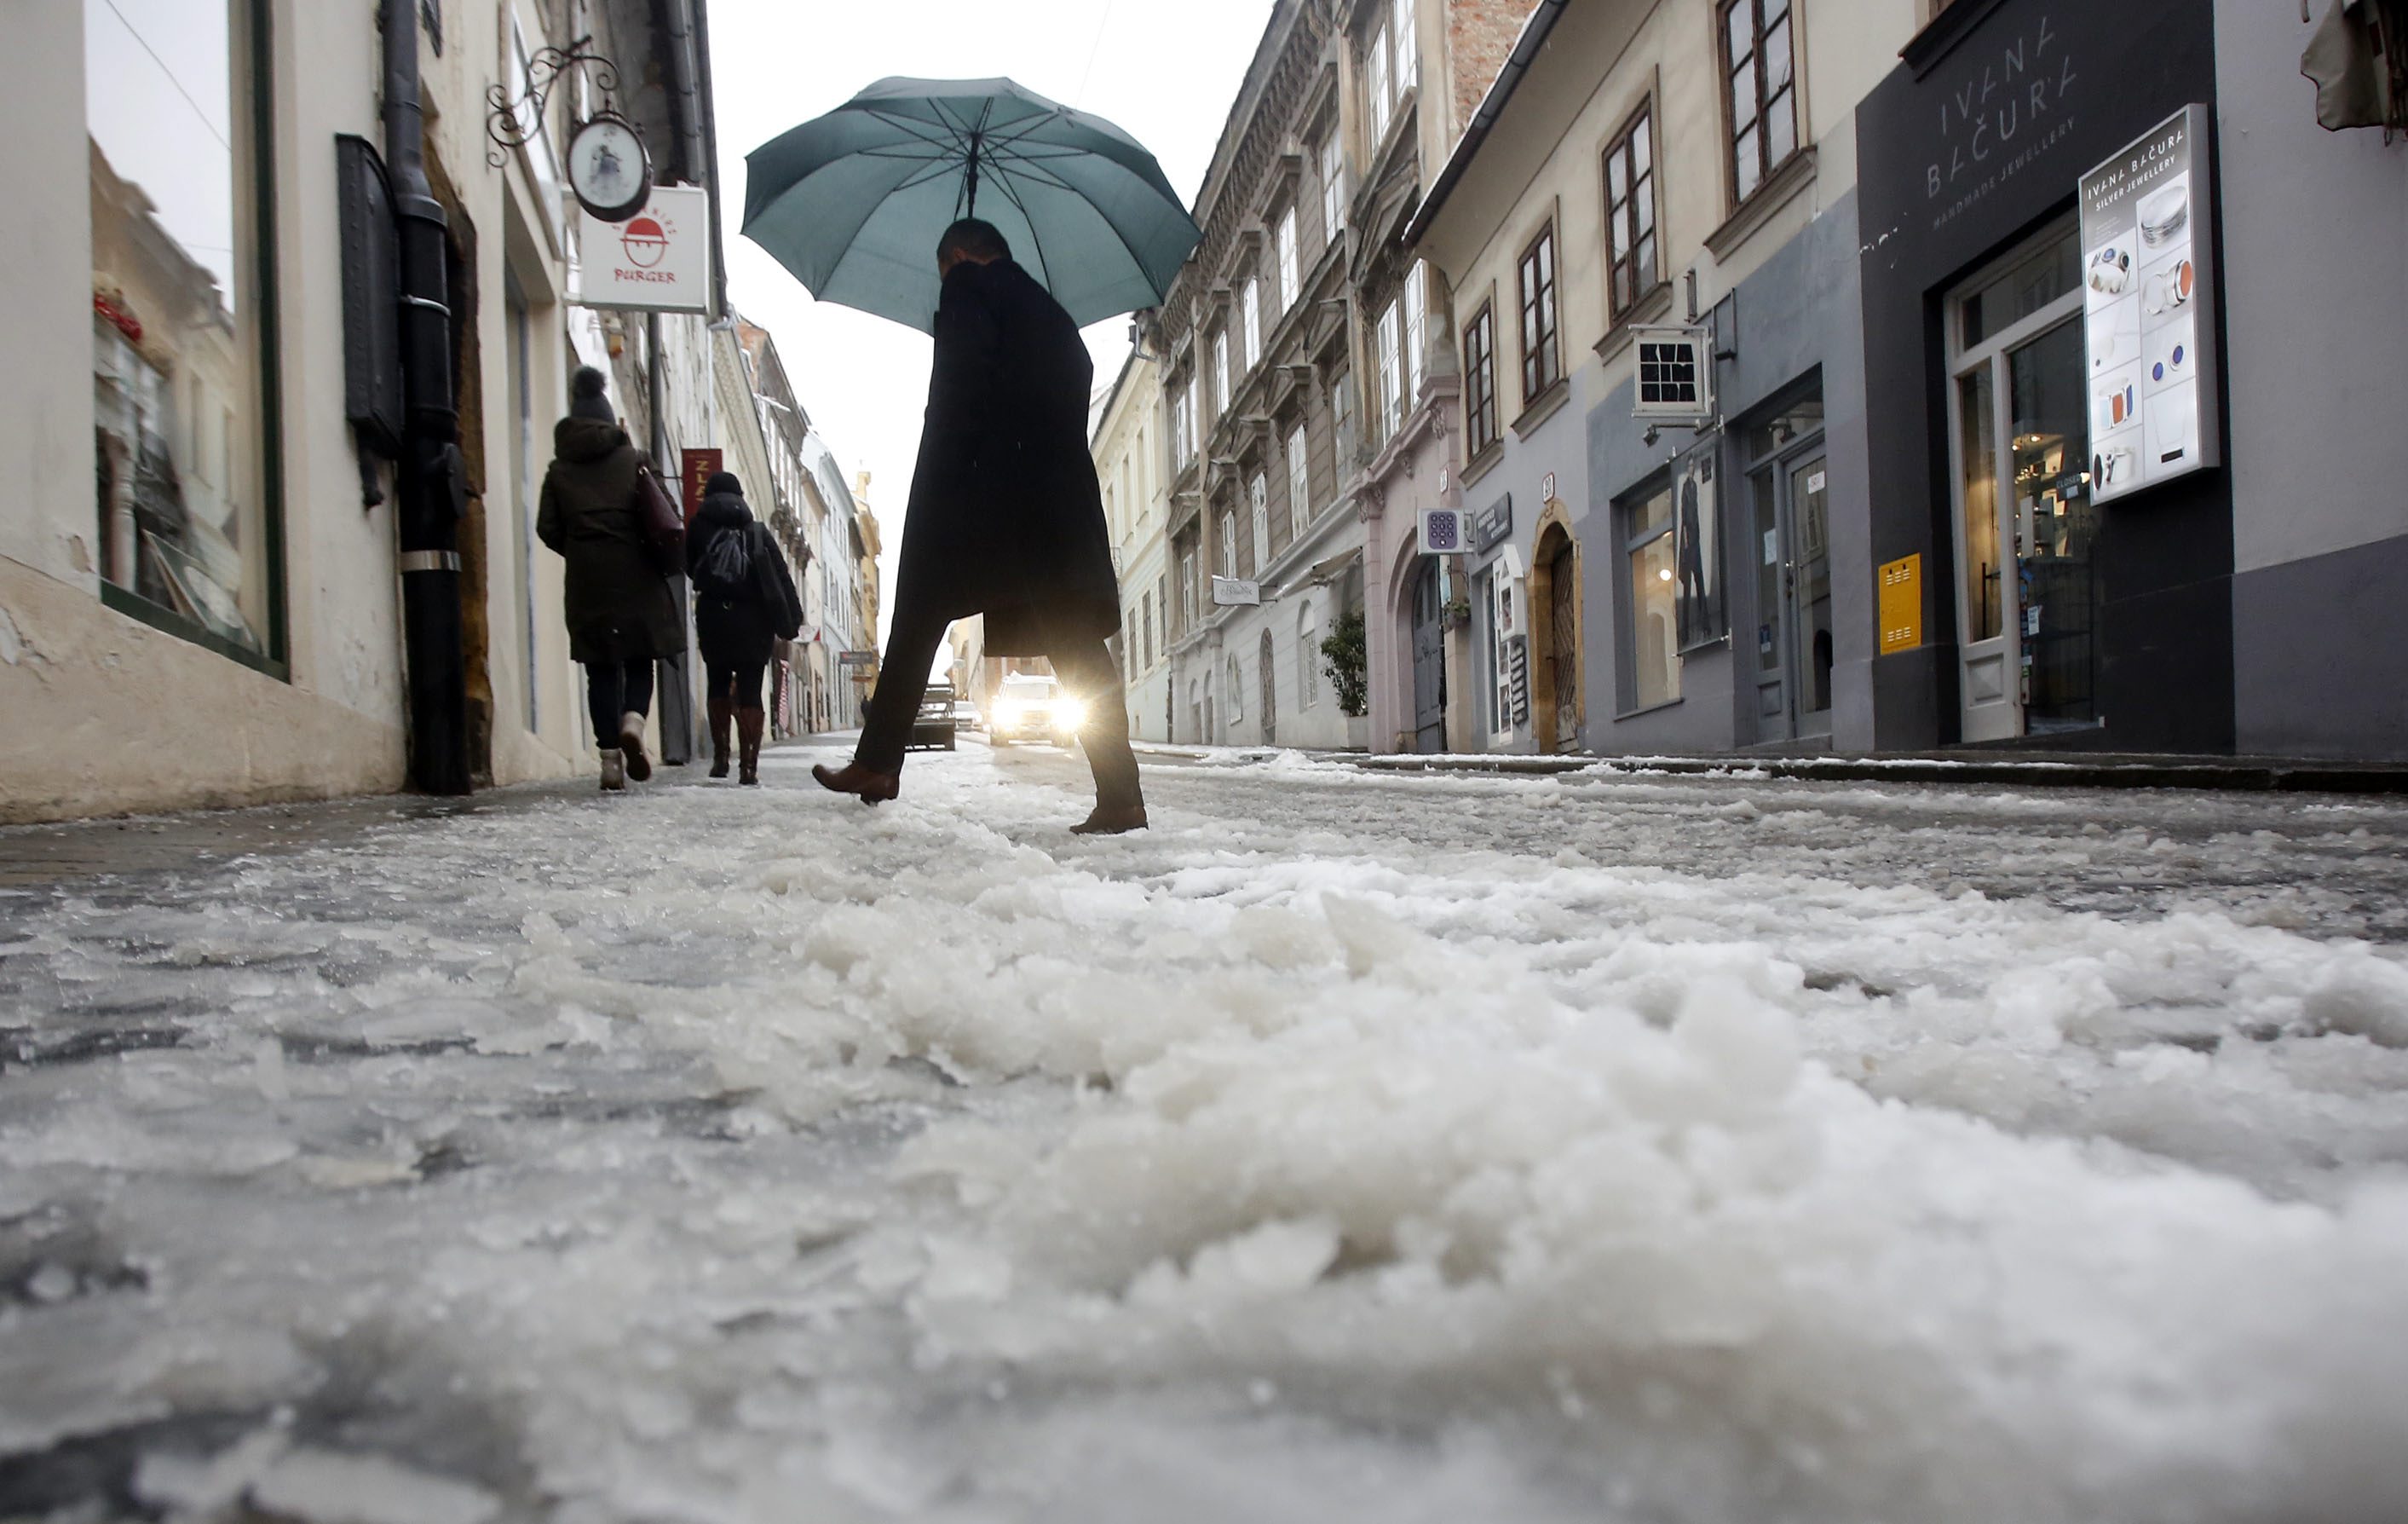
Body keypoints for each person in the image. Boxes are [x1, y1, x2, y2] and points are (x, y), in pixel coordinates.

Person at [813, 219, 1145, 834]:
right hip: (1055, 505)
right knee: (1074, 643)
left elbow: (957, 394)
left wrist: (935, 484)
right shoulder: (1053, 318)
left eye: (946, 270)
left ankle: (879, 762)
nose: (946, 283)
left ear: (961, 256)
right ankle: (1122, 796)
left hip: (982, 497)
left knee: (918, 611)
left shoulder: (968, 287)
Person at [537, 366, 685, 791]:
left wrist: (581, 548)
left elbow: (547, 528)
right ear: (609, 420)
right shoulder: (635, 461)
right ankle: (634, 722)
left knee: (599, 669)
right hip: (637, 573)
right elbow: (667, 515)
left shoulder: (559, 470)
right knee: (641, 656)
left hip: (587, 581)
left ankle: (609, 764)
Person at [687, 470, 803, 784]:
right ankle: (748, 767)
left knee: (718, 682)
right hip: (754, 620)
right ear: (740, 497)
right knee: (751, 687)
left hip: (714, 616)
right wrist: (792, 616)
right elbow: (780, 574)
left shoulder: (698, 526)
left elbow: (688, 567)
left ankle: (721, 758)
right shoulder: (758, 531)